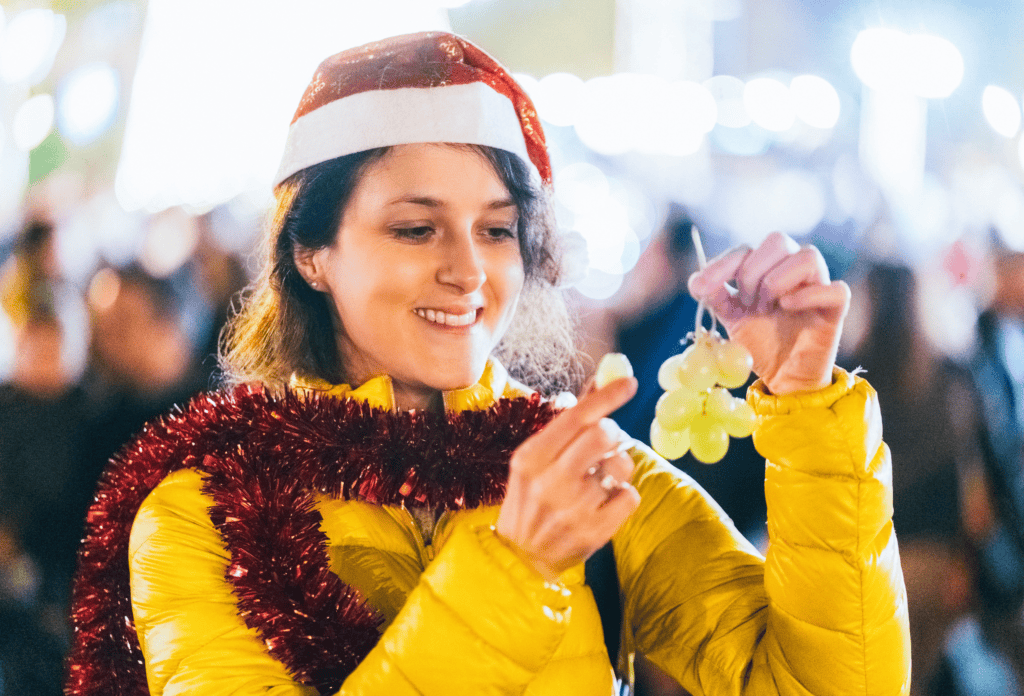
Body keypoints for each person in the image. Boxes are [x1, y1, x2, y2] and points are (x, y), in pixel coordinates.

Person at [65, 31, 910, 696]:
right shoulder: (202, 512)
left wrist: (808, 412)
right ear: (312, 253)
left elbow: (830, 682)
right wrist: (515, 571)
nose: (469, 270)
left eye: (497, 229)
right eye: (416, 227)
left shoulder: (589, 477)